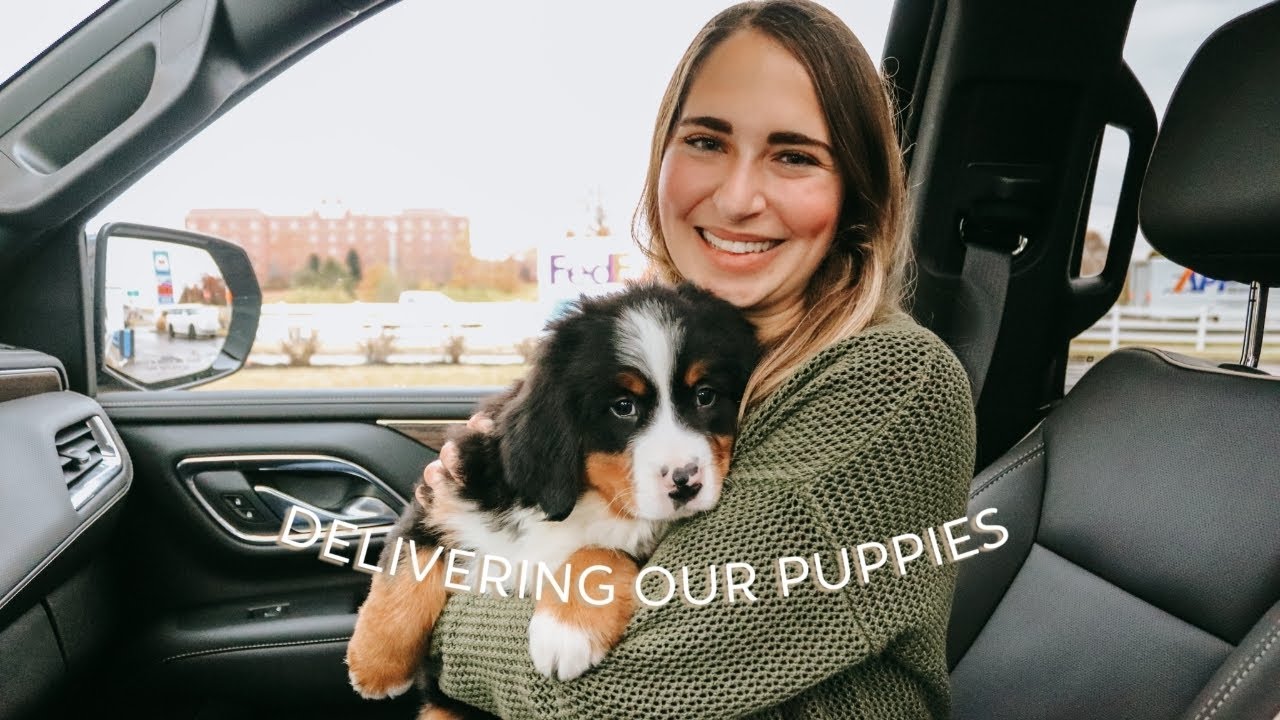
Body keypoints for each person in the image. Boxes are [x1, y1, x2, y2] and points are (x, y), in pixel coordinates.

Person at [421, 1, 976, 717]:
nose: (738, 198)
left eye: (795, 156)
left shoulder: (892, 383)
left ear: (856, 194)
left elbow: (616, 694)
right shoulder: (645, 345)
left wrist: (443, 600)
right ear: (661, 158)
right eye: (707, 142)